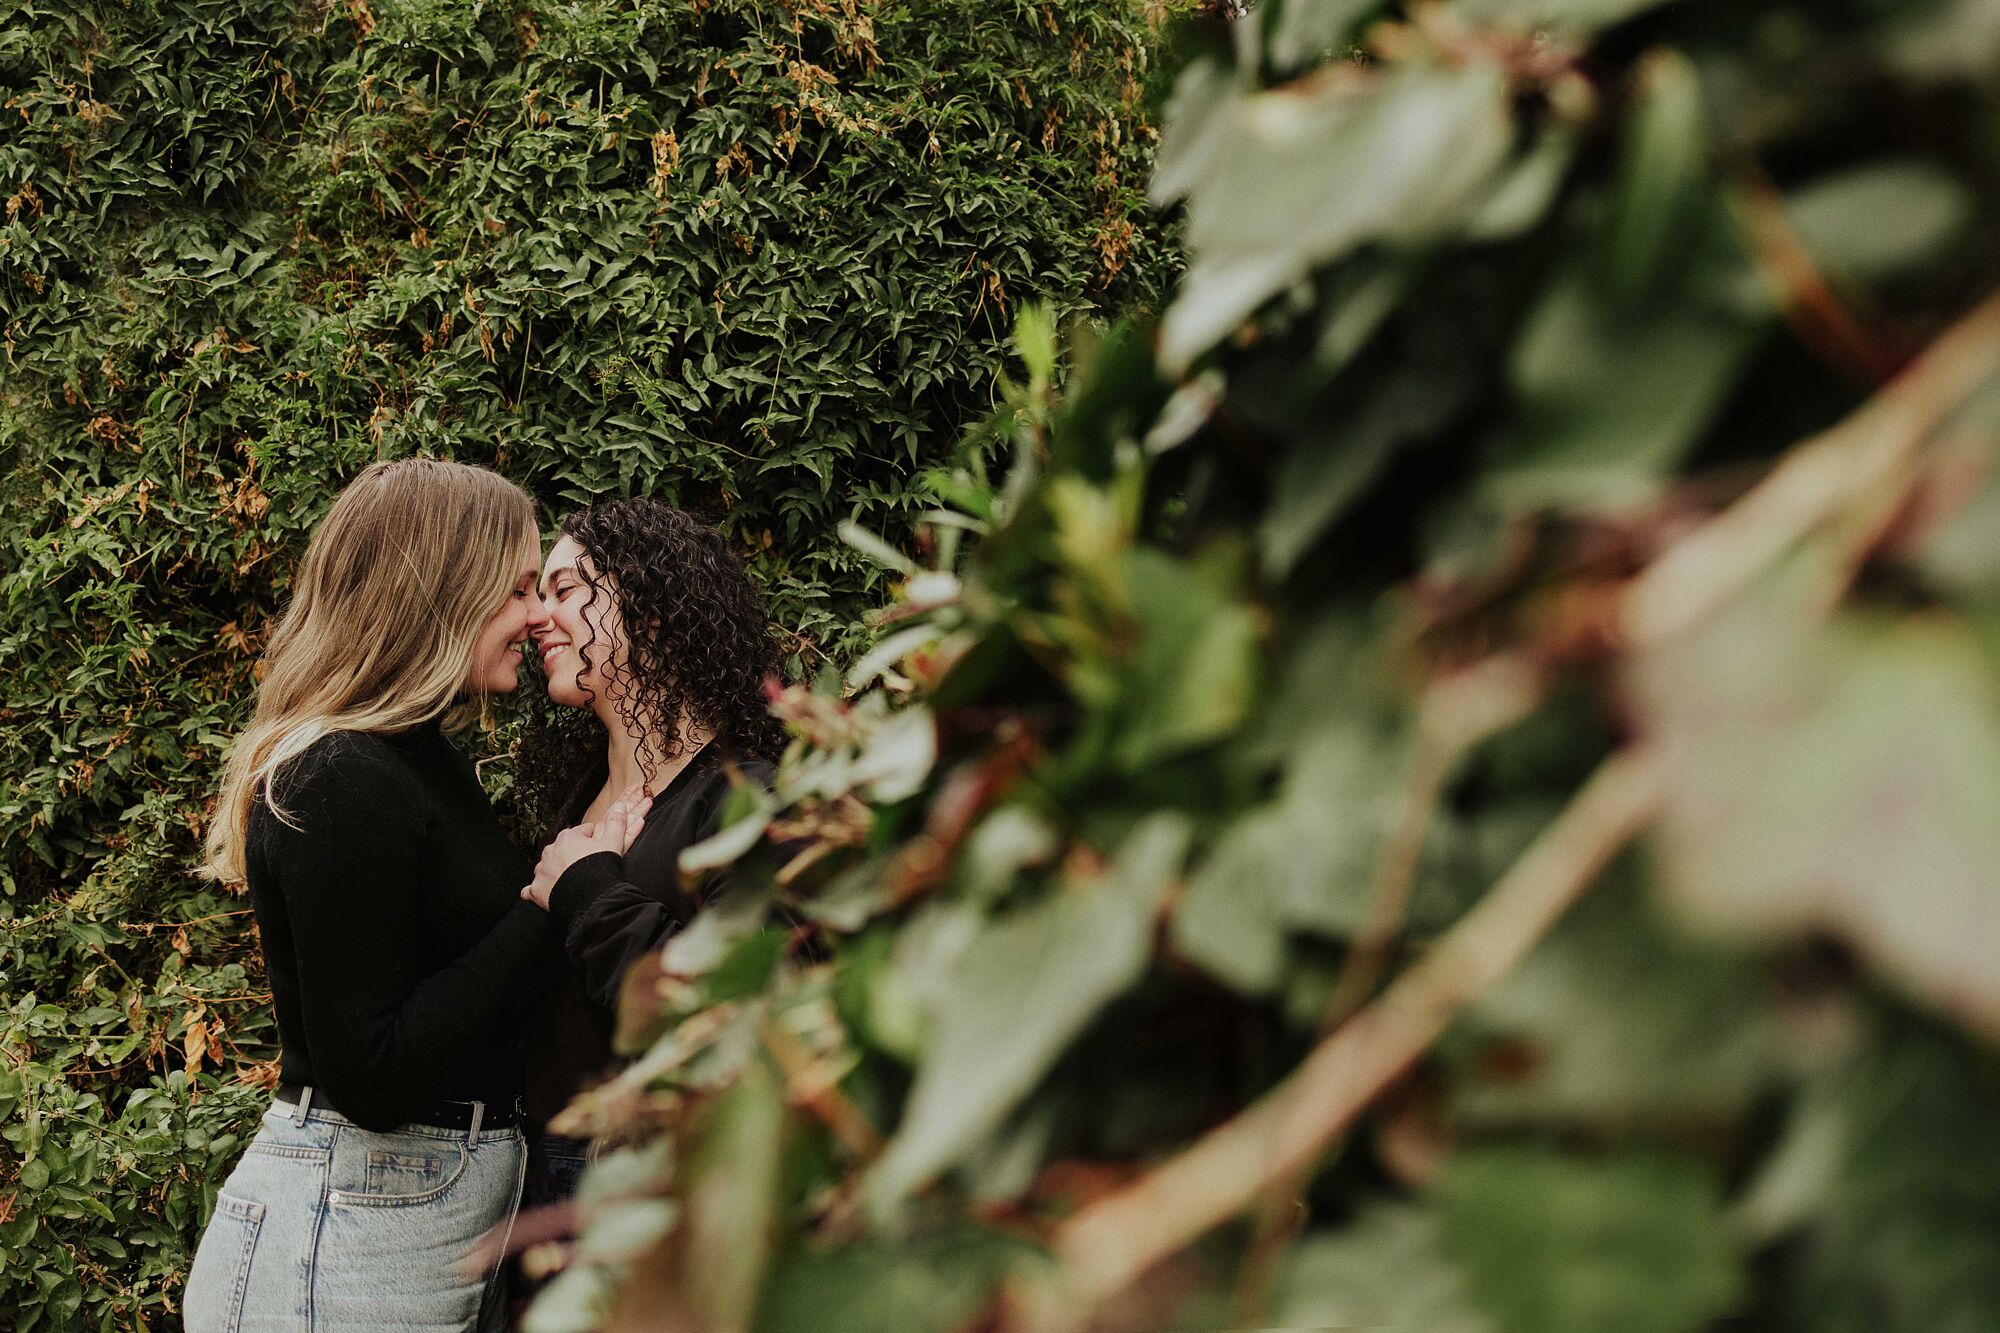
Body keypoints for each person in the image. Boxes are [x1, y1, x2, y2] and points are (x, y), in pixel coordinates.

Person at [182, 459, 647, 1332]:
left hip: (404, 1225)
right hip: (343, 1241)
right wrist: (543, 908)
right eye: (515, 590)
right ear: (443, 593)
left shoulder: (417, 760)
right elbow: (373, 1073)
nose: (538, 616)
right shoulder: (341, 777)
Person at [512, 497, 787, 1202]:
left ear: (652, 612)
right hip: (538, 1183)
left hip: (661, 1185)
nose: (538, 617)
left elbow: (749, 1018)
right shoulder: (572, 805)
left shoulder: (745, 800)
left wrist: (591, 894)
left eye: (565, 591)